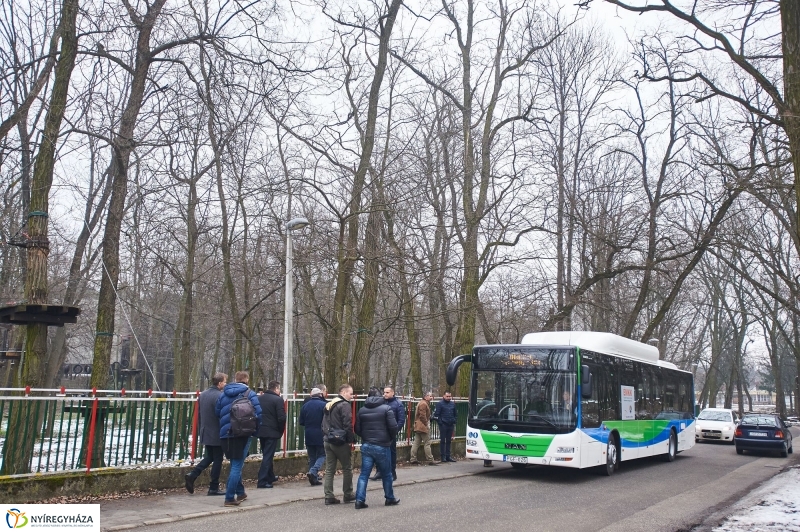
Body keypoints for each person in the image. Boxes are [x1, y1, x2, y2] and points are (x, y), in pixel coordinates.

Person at [216, 370, 262, 507]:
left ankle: (240, 492)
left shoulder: (223, 394)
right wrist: (255, 432)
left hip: (226, 434)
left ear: (235, 380)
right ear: (246, 380)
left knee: (235, 463)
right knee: (237, 465)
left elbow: (217, 412)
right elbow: (258, 414)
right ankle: (229, 497)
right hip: (242, 433)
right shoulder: (250, 394)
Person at [354, 387, 400, 509]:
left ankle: (359, 500)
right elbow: (393, 427)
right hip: (382, 445)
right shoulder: (387, 409)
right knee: (387, 474)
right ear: (380, 397)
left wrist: (366, 437)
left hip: (367, 445)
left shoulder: (362, 410)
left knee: (364, 475)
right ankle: (389, 498)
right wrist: (388, 438)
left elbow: (357, 429)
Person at [185, 372, 227, 495]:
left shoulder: (203, 395)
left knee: (210, 456)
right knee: (218, 459)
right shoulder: (220, 396)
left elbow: (199, 414)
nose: (225, 384)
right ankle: (213, 487)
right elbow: (222, 415)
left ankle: (193, 474)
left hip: (206, 431)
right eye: (224, 382)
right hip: (217, 432)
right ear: (219, 383)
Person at [322, 383, 356, 505]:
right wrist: (350, 439)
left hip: (328, 439)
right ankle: (348, 494)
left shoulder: (329, 404)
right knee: (347, 468)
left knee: (330, 469)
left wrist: (326, 435)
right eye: (350, 393)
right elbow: (347, 424)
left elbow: (324, 423)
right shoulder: (344, 405)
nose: (352, 396)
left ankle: (329, 496)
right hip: (340, 441)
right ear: (343, 393)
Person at [256, 380, 286, 488]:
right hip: (272, 431)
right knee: (268, 456)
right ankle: (262, 480)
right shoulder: (278, 400)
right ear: (277, 389)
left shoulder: (259, 398)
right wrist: (280, 430)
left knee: (266, 454)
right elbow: (282, 417)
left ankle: (270, 476)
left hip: (261, 430)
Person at [371, 386, 404, 481]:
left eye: (387, 392)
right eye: (384, 392)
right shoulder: (381, 402)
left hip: (390, 433)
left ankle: (392, 473)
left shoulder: (398, 404)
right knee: (379, 453)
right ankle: (379, 472)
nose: (385, 394)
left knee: (391, 453)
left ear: (392, 393)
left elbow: (401, 420)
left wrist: (395, 431)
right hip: (380, 432)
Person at [299, 385, 328, 485]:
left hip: (308, 433)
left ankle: (313, 479)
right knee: (322, 455)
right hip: (320, 433)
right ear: (320, 394)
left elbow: (301, 422)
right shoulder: (324, 405)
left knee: (312, 457)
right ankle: (313, 471)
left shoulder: (305, 406)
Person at [409, 391, 437, 466]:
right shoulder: (423, 404)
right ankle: (430, 459)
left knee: (416, 443)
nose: (431, 397)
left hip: (418, 426)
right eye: (430, 396)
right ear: (426, 397)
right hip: (422, 426)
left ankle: (413, 459)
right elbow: (422, 415)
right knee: (427, 443)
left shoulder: (422, 403)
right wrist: (426, 424)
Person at [434, 391, 457, 463]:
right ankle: (443, 456)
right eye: (447, 396)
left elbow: (455, 413)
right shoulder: (440, 404)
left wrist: (454, 420)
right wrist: (440, 423)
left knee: (449, 441)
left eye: (449, 396)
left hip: (450, 424)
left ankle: (448, 456)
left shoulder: (452, 404)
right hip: (443, 424)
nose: (448, 398)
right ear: (444, 396)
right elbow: (437, 414)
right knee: (443, 441)